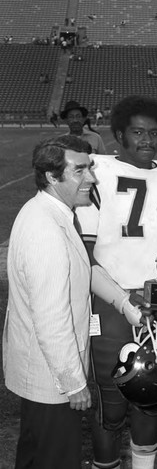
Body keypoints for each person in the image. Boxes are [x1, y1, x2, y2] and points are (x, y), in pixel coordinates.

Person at [76, 95, 157, 469]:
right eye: (137, 132)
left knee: (153, 392)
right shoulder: (95, 172)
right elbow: (85, 254)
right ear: (118, 135)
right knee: (112, 398)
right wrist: (120, 298)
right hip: (112, 298)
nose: (147, 140)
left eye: (154, 133)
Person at [3, 135, 95, 468]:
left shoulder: (50, 212)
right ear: (52, 176)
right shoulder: (45, 227)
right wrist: (74, 383)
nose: (91, 179)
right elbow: (51, 318)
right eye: (80, 171)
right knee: (55, 458)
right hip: (52, 380)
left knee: (35, 455)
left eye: (90, 168)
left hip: (44, 373)